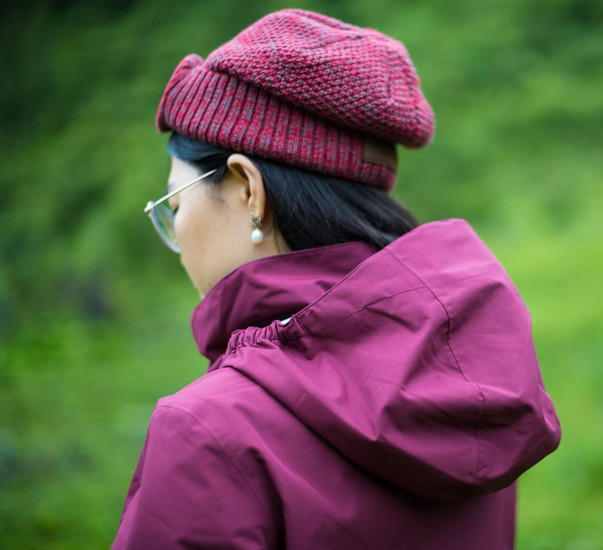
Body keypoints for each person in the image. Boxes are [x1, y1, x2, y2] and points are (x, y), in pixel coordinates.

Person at [113, 8, 561, 550]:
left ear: (248, 189)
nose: (178, 237)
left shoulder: (208, 430)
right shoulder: (472, 372)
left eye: (175, 204)